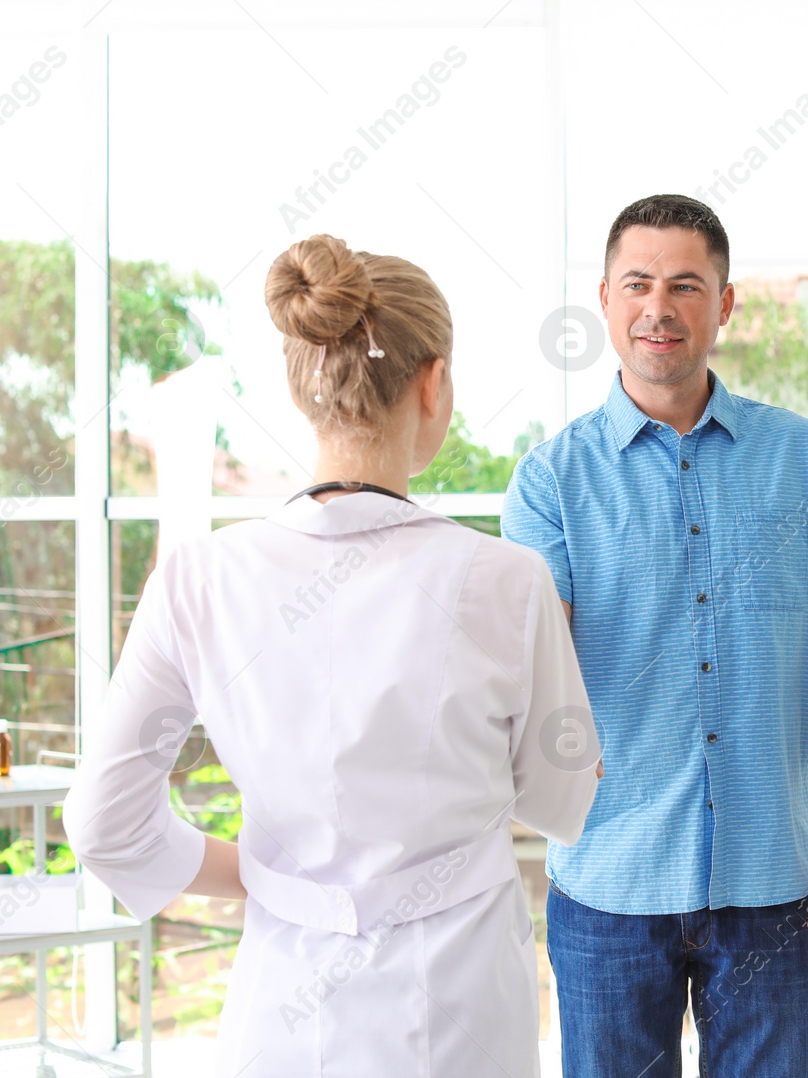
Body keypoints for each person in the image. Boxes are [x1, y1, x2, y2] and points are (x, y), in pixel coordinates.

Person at [63, 234, 599, 1077]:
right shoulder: (507, 578)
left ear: (298, 386)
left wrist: (277, 883)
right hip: (462, 1013)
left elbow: (102, 823)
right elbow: (562, 800)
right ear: (435, 385)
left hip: (280, 1008)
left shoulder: (197, 580)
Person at [502, 194, 808, 1077]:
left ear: (724, 304)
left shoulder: (804, 459)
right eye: (638, 283)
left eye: (687, 285)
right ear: (604, 298)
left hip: (774, 885)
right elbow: (536, 673)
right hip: (608, 881)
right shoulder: (550, 481)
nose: (659, 307)